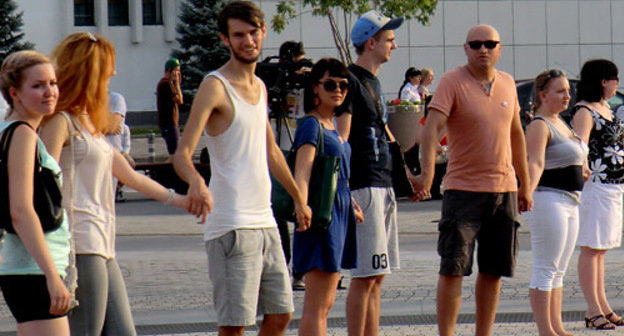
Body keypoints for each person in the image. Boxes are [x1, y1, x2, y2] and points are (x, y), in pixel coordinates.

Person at [40, 32, 193, 336]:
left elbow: (129, 175)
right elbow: (41, 184)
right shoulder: (60, 122)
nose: (114, 73)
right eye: (108, 67)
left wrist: (182, 200)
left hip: (102, 244)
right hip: (79, 245)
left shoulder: (89, 123)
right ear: (89, 72)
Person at [172, 2, 311, 335]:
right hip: (231, 225)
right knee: (235, 326)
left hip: (265, 221)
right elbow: (182, 154)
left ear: (263, 32)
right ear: (225, 39)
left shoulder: (260, 87)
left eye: (253, 32)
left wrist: (298, 197)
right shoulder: (215, 86)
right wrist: (196, 181)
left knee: (281, 315)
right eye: (239, 35)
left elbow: (271, 150)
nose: (248, 40)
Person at [413, 24, 531, 336]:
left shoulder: (507, 83)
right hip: (463, 191)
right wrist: (426, 175)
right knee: (453, 268)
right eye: (475, 44)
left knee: (493, 271)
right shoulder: (453, 81)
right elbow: (430, 129)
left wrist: (525, 183)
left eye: (490, 44)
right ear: (465, 49)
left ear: (499, 48)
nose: (483, 50)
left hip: (503, 190)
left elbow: (517, 135)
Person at [334, 10, 404, 336]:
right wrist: (345, 190)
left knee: (378, 274)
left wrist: (410, 175)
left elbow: (385, 132)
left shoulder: (373, 82)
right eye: (389, 39)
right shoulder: (349, 81)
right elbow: (341, 140)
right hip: (363, 185)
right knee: (364, 276)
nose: (394, 45)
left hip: (382, 182)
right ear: (371, 42)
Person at [0, 50, 71, 336]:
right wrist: (52, 276)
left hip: (27, 269)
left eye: (52, 83)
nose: (49, 92)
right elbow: (21, 210)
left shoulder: (12, 131)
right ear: (15, 93)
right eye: (38, 85)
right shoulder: (22, 134)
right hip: (33, 270)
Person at [291, 58, 363, 335]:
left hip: (339, 212)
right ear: (315, 88)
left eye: (343, 85)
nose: (338, 90)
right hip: (320, 216)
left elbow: (336, 176)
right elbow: (303, 170)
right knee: (317, 305)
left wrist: (351, 203)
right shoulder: (312, 124)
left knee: (327, 301)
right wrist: (301, 205)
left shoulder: (331, 124)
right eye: (330, 84)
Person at [523, 69, 588, 336]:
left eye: (568, 91)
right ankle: (545, 330)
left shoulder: (561, 122)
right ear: (543, 95)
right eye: (560, 91)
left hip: (571, 201)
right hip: (549, 199)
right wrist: (526, 191)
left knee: (559, 269)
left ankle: (556, 327)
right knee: (546, 268)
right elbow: (535, 162)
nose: (567, 96)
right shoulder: (540, 124)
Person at [570, 59, 624, 330]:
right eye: (615, 78)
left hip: (613, 186)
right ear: (604, 81)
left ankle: (603, 305)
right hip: (597, 186)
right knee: (592, 247)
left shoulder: (606, 108)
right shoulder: (585, 111)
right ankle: (593, 310)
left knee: (601, 248)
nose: (617, 84)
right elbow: (579, 148)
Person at [105, 91, 135, 202]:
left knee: (130, 163)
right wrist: (106, 123)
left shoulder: (115, 99)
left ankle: (118, 189)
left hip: (117, 153)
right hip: (96, 156)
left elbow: (112, 126)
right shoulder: (82, 101)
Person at [156, 57, 183, 162]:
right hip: (169, 124)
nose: (178, 74)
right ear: (169, 71)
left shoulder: (166, 84)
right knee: (174, 155)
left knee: (174, 153)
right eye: (176, 71)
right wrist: (177, 84)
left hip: (170, 124)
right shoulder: (166, 84)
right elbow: (180, 100)